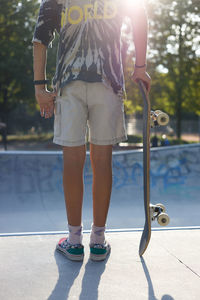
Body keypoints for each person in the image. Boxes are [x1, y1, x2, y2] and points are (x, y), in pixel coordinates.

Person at [32, 0, 151, 262]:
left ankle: (74, 241)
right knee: (102, 160)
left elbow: (40, 38)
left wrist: (40, 87)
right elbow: (140, 15)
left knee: (72, 162)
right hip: (108, 82)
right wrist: (140, 67)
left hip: (70, 84)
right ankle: (98, 240)